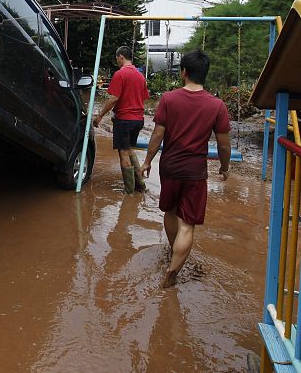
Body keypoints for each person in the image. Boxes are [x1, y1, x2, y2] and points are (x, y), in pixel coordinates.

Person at [139, 50, 231, 288]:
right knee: (187, 223)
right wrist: (224, 167)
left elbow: (158, 134)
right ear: (204, 74)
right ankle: (174, 269)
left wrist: (148, 161)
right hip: (195, 171)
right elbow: (223, 144)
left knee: (169, 212)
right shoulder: (217, 105)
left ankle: (173, 252)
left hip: (169, 167)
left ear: (184, 73)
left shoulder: (168, 99)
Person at [92, 46, 149, 194]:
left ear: (121, 57)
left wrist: (100, 115)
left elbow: (113, 99)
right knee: (129, 149)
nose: (116, 61)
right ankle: (140, 186)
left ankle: (129, 191)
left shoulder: (120, 74)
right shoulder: (140, 76)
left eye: (117, 58)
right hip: (138, 120)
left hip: (124, 120)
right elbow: (142, 99)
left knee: (123, 153)